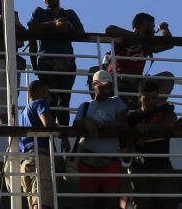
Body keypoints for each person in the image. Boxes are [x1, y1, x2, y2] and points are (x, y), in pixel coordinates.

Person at [27, 0, 84, 126]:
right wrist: (53, 24)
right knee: (49, 98)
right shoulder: (39, 12)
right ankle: (51, 129)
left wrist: (67, 26)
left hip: (67, 63)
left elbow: (81, 32)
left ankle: (63, 130)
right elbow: (32, 28)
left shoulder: (69, 14)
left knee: (64, 100)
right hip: (47, 62)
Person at [72, 71, 128, 209]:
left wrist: (100, 124)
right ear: (94, 86)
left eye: (108, 86)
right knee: (90, 203)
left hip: (110, 159)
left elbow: (123, 123)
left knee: (112, 202)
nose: (106, 90)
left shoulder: (116, 101)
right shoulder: (84, 106)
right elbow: (75, 125)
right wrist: (86, 121)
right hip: (87, 160)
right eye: (102, 87)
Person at [11, 80, 66, 209]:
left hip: (26, 163)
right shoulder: (40, 103)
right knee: (43, 202)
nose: (50, 98)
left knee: (35, 202)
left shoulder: (23, 114)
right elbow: (47, 124)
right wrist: (63, 135)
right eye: (48, 93)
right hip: (39, 159)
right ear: (40, 92)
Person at [127, 80, 177, 209]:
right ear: (139, 98)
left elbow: (171, 120)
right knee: (142, 205)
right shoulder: (132, 117)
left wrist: (150, 129)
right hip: (140, 167)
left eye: (154, 98)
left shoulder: (165, 110)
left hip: (162, 165)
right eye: (147, 99)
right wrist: (135, 133)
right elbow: (125, 136)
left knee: (169, 203)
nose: (151, 102)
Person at [106, 14, 172, 109]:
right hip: (117, 79)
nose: (153, 30)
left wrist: (164, 29)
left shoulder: (147, 44)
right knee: (96, 73)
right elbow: (109, 29)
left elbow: (168, 44)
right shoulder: (124, 38)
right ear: (144, 25)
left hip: (137, 82)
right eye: (152, 26)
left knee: (167, 77)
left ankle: (154, 108)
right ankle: (102, 103)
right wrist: (136, 37)